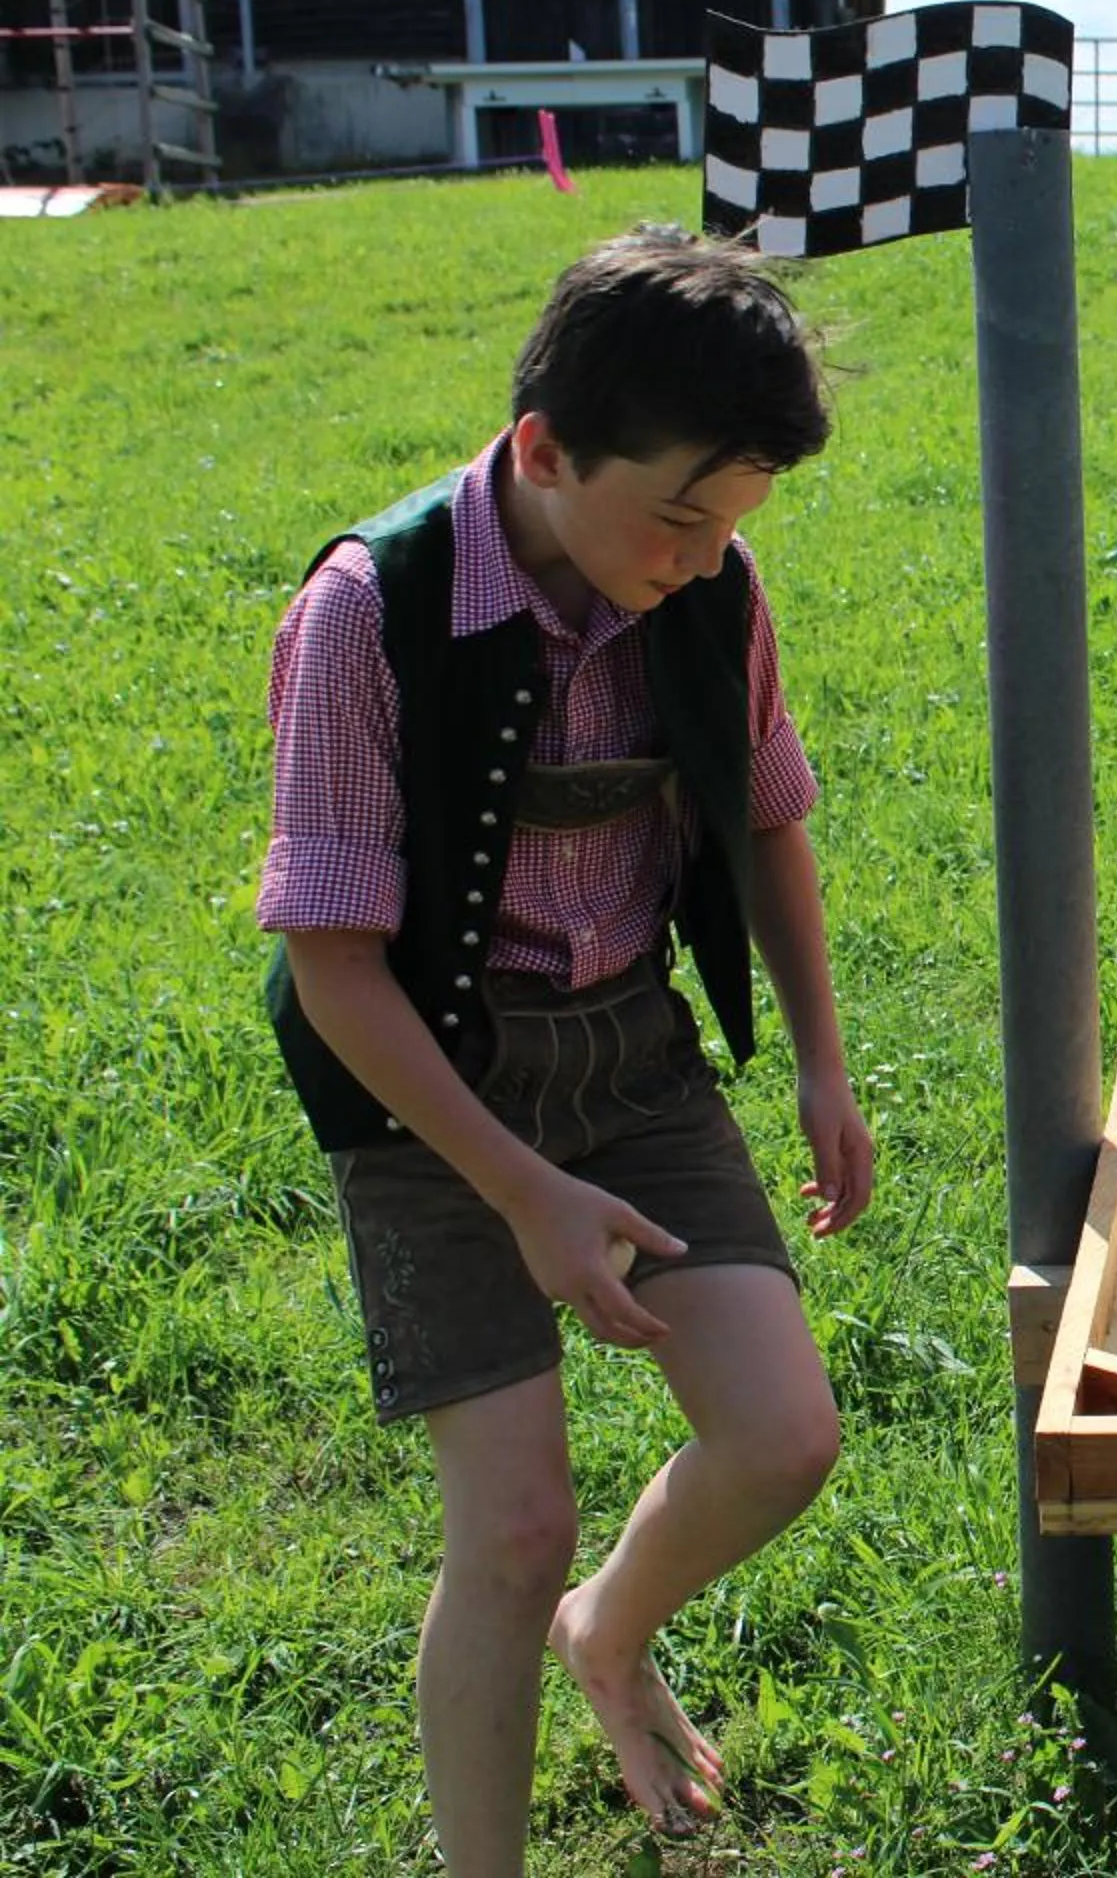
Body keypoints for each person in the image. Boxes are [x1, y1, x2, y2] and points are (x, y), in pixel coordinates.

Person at [258, 225, 877, 1870]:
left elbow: (765, 819)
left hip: (633, 1055)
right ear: (543, 450)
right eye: (678, 515)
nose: (700, 556)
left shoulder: (708, 592)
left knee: (781, 1438)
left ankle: (611, 1634)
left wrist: (819, 1061)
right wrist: (521, 1189)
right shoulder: (364, 617)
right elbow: (334, 972)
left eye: (731, 523)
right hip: (426, 1090)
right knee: (515, 1528)